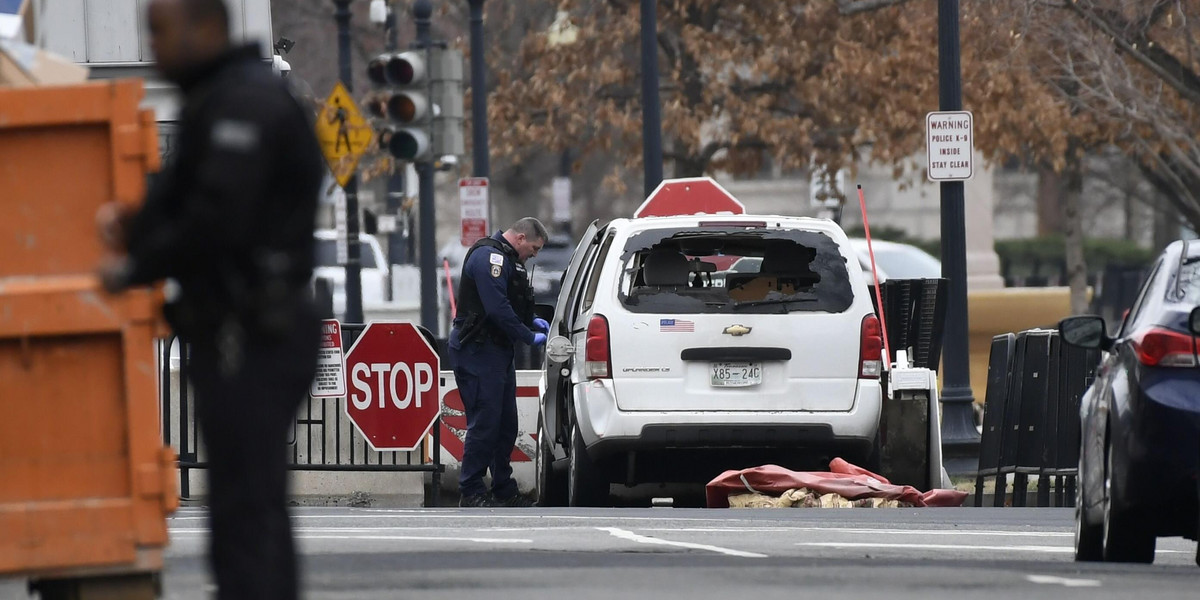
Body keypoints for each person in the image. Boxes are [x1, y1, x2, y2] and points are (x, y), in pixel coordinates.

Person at [95, 0, 323, 597]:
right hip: (235, 329)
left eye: (164, 33)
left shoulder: (244, 103)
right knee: (247, 500)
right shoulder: (217, 99)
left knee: (246, 505)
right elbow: (181, 201)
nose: (157, 48)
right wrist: (137, 229)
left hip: (254, 330)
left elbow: (218, 217)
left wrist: (134, 268)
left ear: (210, 28)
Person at [450, 218, 550, 508]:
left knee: (507, 424)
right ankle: (470, 490)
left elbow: (512, 302)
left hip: (497, 352)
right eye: (533, 248)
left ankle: (503, 489)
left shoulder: (508, 260)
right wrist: (527, 335)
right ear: (520, 238)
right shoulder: (489, 257)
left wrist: (530, 320)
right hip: (477, 350)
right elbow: (496, 308)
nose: (534, 255)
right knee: (485, 421)